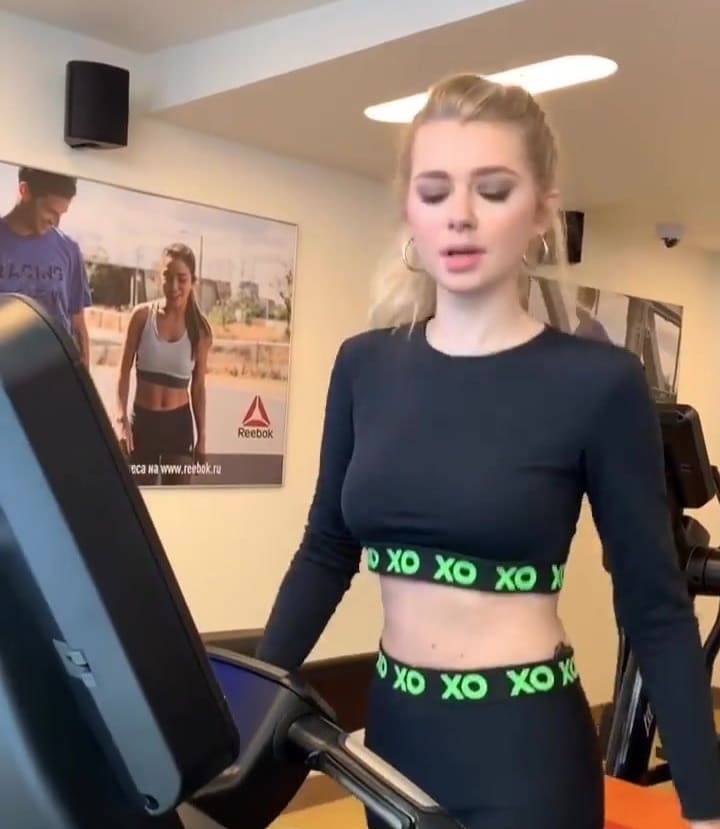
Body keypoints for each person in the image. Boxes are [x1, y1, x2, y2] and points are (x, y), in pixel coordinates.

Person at [254, 73, 720, 829]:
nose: (460, 215)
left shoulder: (598, 382)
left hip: (525, 751)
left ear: (542, 211)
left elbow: (654, 604)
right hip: (395, 742)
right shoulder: (364, 365)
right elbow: (326, 550)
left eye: (493, 190)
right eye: (435, 190)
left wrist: (706, 805)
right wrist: (251, 705)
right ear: (409, 205)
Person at [115, 242, 212, 486]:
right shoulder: (141, 316)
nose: (174, 286)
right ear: (160, 278)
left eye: (182, 279)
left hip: (178, 428)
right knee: (142, 502)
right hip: (143, 425)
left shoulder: (200, 330)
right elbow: (123, 373)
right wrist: (122, 421)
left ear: (193, 281)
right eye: (168, 277)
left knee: (176, 502)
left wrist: (202, 438)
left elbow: (198, 388)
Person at [0, 166, 91, 366]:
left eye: (62, 214)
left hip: (55, 372)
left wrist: (83, 377)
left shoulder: (69, 250)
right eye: (50, 211)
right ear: (25, 191)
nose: (56, 222)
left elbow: (77, 323)